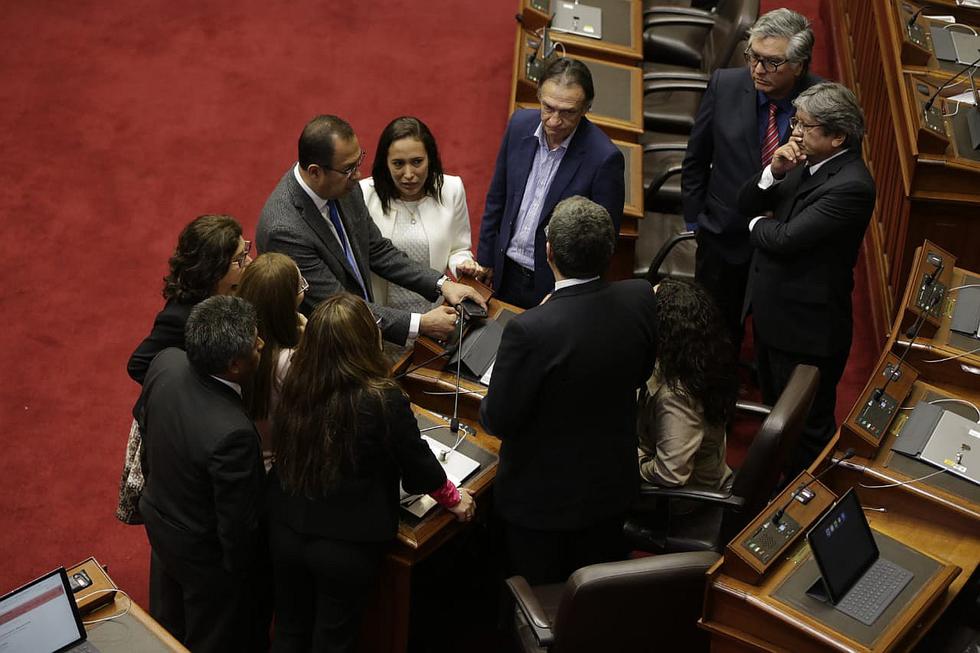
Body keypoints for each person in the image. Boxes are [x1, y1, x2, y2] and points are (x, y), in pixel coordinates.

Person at [268, 293, 475, 652]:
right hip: (343, 545)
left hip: (285, 528)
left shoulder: (296, 383)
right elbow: (418, 464)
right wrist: (454, 499)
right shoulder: (382, 398)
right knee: (333, 640)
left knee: (289, 629)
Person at [480, 196, 657, 585]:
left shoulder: (530, 329)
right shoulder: (641, 297)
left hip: (542, 510)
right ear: (609, 250)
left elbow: (498, 420)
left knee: (539, 606)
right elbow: (640, 373)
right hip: (612, 492)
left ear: (549, 252)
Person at [737, 81, 875, 478]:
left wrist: (755, 225)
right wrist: (774, 172)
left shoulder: (850, 185)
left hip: (806, 332)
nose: (793, 132)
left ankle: (805, 507)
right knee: (777, 414)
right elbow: (746, 202)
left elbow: (783, 238)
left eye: (804, 126)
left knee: (805, 432)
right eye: (795, 122)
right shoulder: (802, 160)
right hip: (773, 314)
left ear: (837, 137)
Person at [257, 114, 485, 347]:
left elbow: (377, 250)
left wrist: (442, 284)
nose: (357, 175)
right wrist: (419, 324)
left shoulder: (341, 184)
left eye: (358, 162)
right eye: (349, 169)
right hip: (328, 350)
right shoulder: (285, 231)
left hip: (366, 331)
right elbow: (337, 305)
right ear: (315, 172)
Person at [682, 9, 820, 350]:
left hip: (787, 246)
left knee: (773, 339)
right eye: (753, 57)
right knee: (711, 334)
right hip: (723, 235)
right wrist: (696, 222)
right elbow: (696, 158)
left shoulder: (824, 104)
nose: (758, 70)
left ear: (800, 64)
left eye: (772, 62)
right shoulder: (725, 85)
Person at [136, 295, 266, 652]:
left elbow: (146, 433)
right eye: (255, 342)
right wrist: (240, 579)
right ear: (235, 365)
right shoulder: (233, 434)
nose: (262, 344)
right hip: (204, 556)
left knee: (167, 624)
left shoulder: (166, 363)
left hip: (161, 522)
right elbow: (237, 526)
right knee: (213, 637)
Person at [476, 58, 625, 309]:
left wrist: (570, 296)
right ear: (538, 96)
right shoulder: (518, 124)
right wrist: (487, 259)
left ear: (586, 107)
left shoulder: (604, 158)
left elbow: (602, 244)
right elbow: (498, 197)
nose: (555, 121)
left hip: (553, 287)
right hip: (504, 270)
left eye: (568, 112)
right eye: (548, 108)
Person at [360, 116, 482, 315]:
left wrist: (462, 264)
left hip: (435, 313)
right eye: (398, 164)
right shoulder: (364, 194)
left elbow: (459, 248)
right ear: (386, 163)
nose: (408, 174)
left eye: (417, 162)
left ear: (430, 159)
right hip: (385, 318)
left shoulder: (452, 189)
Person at [638, 278, 736, 493]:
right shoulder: (702, 357)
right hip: (701, 468)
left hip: (678, 501)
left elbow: (669, 475)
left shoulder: (676, 396)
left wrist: (631, 462)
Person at [128, 214, 252, 384]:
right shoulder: (179, 318)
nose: (249, 262)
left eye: (246, 251)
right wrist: (194, 391)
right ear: (214, 269)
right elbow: (139, 365)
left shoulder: (237, 288)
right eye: (239, 259)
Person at [236, 252, 307, 471]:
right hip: (282, 470)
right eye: (300, 285)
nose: (305, 289)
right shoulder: (287, 361)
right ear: (287, 302)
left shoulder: (238, 344)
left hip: (252, 461)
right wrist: (310, 343)